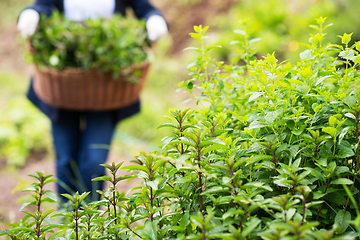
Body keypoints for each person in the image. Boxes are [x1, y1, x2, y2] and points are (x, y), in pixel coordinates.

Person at [17, 0, 168, 203]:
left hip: (107, 86)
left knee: (94, 163)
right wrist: (32, 14)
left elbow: (144, 8)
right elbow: (44, 5)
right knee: (65, 161)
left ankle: (90, 224)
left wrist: (154, 19)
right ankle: (68, 223)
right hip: (63, 88)